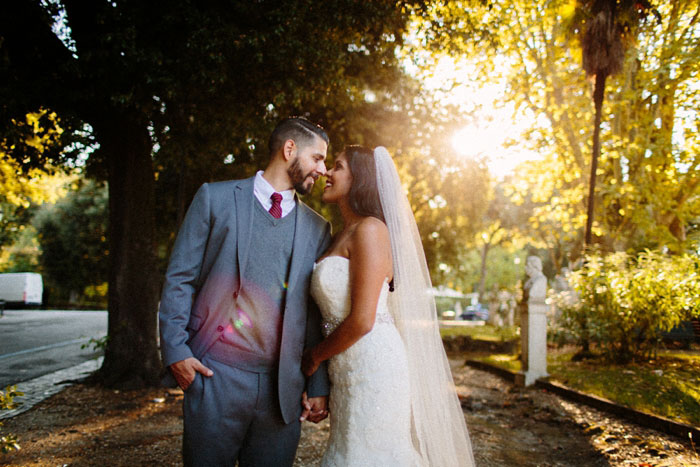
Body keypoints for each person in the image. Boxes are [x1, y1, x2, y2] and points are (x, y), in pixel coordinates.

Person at [159, 117, 332, 466]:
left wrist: (317, 386)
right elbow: (181, 278)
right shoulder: (215, 198)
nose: (323, 169)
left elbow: (315, 312)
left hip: (282, 389)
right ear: (289, 150)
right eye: (318, 158)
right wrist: (176, 350)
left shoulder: (317, 228)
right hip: (215, 376)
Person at [302, 146, 475, 466]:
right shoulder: (340, 234)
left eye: (337, 166)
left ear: (359, 179)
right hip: (346, 365)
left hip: (373, 364)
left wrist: (314, 357)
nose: (327, 172)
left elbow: (363, 319)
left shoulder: (371, 229)